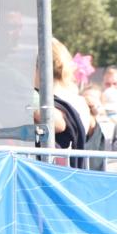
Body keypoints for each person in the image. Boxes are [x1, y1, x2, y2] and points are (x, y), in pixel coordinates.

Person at [33, 37, 91, 168]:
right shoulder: (80, 101)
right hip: (71, 171)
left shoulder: (39, 99)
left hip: (48, 171)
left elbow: (54, 127)